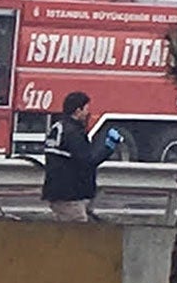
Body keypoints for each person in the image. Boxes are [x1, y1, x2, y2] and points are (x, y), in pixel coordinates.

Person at [41, 91, 121, 222]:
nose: (88, 113)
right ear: (78, 111)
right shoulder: (73, 133)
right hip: (68, 195)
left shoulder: (58, 127)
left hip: (56, 190)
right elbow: (88, 161)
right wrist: (108, 148)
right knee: (78, 230)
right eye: (86, 109)